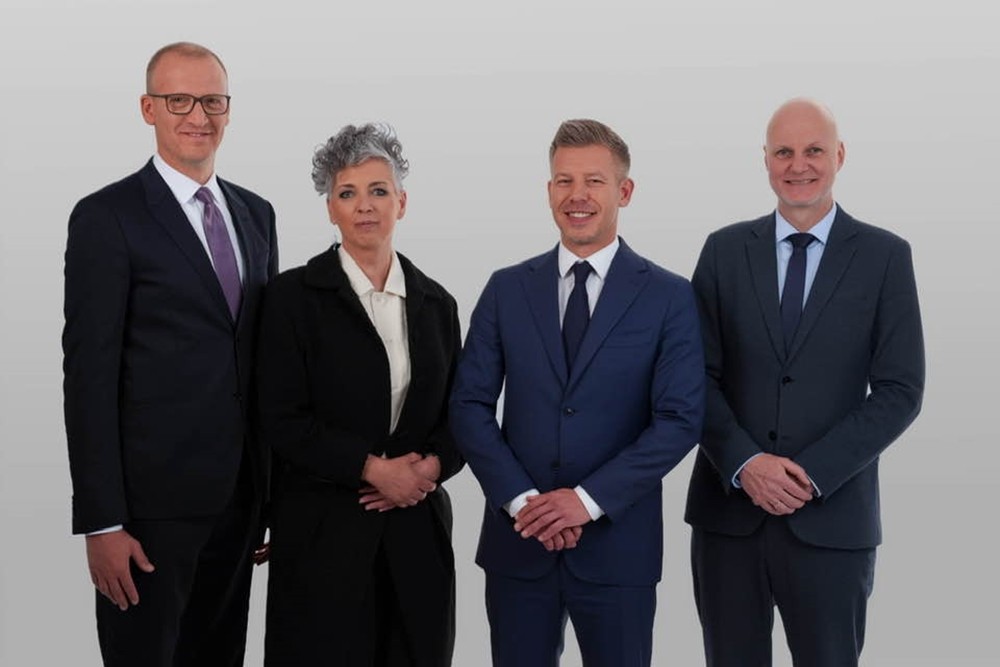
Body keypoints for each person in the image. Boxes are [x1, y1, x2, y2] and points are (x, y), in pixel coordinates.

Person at [450, 119, 704, 667]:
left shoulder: (669, 296)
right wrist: (525, 504)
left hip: (619, 550)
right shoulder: (506, 288)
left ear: (624, 191)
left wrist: (585, 502)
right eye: (564, 181)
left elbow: (679, 420)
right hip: (519, 544)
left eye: (594, 181)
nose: (577, 195)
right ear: (549, 191)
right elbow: (469, 405)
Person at [684, 98, 925, 666]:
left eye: (814, 150)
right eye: (783, 152)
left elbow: (901, 389)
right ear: (765, 159)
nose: (798, 165)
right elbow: (692, 377)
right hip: (729, 520)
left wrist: (809, 475)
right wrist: (746, 463)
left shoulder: (885, 257)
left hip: (832, 521)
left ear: (839, 155)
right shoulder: (722, 251)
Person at [62, 42, 279, 666]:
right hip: (147, 515)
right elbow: (88, 377)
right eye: (179, 100)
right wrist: (102, 522)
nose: (198, 116)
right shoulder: (107, 217)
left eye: (212, 101)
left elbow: (261, 361)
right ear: (147, 108)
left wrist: (270, 497)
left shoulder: (256, 214)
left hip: (240, 502)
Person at [257, 123, 463, 666]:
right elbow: (281, 418)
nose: (364, 206)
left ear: (402, 202)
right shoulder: (291, 298)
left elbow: (461, 416)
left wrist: (428, 469)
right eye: (347, 193)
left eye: (378, 190)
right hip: (323, 536)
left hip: (416, 536)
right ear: (331, 208)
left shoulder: (437, 305)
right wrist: (372, 469)